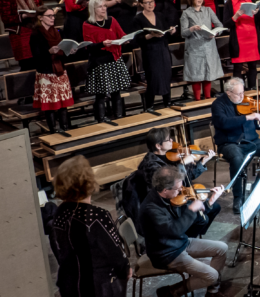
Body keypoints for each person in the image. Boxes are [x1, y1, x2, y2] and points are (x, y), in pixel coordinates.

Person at [48, 156, 130, 297]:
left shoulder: (59, 212)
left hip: (69, 284)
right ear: (89, 181)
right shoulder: (96, 217)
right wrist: (125, 270)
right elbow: (115, 252)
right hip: (99, 286)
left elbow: (59, 251)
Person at [139, 165, 227, 296]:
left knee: (222, 248)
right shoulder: (151, 209)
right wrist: (191, 210)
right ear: (165, 190)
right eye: (178, 188)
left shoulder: (170, 198)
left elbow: (192, 221)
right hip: (167, 253)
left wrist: (210, 202)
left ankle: (211, 286)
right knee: (213, 275)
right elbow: (175, 230)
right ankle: (172, 291)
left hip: (180, 242)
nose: (181, 190)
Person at [135, 127, 218, 237]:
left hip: (180, 192)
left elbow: (188, 176)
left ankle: (194, 234)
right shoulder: (150, 165)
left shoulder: (171, 155)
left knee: (215, 207)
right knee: (202, 219)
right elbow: (169, 183)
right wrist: (182, 164)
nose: (172, 141)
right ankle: (185, 239)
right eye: (168, 140)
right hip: (169, 201)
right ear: (158, 146)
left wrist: (203, 161)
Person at [211, 77, 260, 212]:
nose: (242, 96)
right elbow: (223, 122)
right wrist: (246, 117)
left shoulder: (247, 102)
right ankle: (238, 197)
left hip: (252, 141)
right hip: (229, 143)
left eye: (243, 92)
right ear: (228, 93)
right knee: (237, 158)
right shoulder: (218, 105)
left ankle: (259, 188)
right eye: (238, 94)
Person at [83, 0, 131, 124]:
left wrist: (126, 39)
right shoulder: (87, 25)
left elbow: (121, 34)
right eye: (100, 6)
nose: (104, 9)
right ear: (93, 9)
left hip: (114, 59)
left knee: (116, 91)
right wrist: (102, 44)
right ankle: (102, 119)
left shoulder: (111, 20)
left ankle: (119, 116)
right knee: (101, 94)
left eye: (104, 6)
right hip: (99, 62)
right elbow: (88, 46)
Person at [30, 5, 75, 133]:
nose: (52, 18)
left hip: (60, 70)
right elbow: (36, 56)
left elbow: (62, 50)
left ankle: (65, 128)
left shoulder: (57, 32)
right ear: (40, 18)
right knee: (50, 106)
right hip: (46, 72)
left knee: (63, 105)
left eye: (53, 16)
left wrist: (69, 51)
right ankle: (53, 131)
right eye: (49, 16)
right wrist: (48, 52)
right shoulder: (36, 34)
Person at [180, 0, 225, 101]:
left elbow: (219, 25)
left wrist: (215, 32)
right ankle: (198, 100)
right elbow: (183, 33)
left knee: (207, 74)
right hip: (195, 48)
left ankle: (208, 98)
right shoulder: (186, 13)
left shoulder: (208, 10)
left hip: (209, 47)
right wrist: (192, 28)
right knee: (197, 75)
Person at [135, 0, 177, 109]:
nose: (150, 4)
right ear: (141, 4)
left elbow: (165, 31)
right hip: (150, 52)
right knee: (153, 77)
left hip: (163, 49)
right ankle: (149, 105)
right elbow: (138, 38)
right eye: (147, 2)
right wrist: (150, 35)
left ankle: (167, 102)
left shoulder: (160, 15)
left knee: (166, 75)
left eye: (152, 1)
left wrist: (171, 30)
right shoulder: (138, 19)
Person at [0, 0, 42, 70]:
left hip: (36, 30)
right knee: (28, 66)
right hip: (20, 33)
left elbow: (40, 6)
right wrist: (23, 16)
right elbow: (6, 17)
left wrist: (41, 13)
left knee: (41, 63)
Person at [223, 0, 260, 89]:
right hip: (239, 39)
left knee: (252, 65)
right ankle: (238, 90)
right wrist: (236, 16)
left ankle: (252, 88)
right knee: (238, 67)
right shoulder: (229, 3)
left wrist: (257, 13)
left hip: (252, 37)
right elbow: (226, 23)